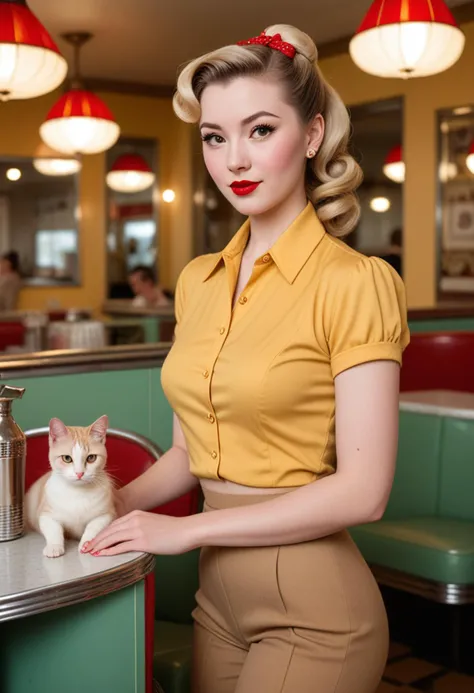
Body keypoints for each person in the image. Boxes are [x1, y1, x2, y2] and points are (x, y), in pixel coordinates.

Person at [85, 24, 410, 693]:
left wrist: (188, 529)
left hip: (318, 615)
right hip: (219, 604)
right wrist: (113, 501)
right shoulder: (200, 280)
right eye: (214, 136)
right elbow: (190, 454)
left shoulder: (356, 282)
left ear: (313, 135)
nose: (235, 158)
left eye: (260, 130)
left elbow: (365, 490)